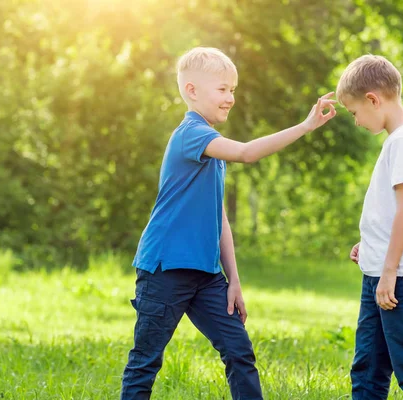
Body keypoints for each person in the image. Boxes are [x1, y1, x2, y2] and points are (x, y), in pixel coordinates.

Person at [120, 46, 336, 400]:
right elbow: (248, 152)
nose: (230, 98)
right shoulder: (192, 133)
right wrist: (307, 124)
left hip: (206, 276)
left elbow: (218, 218)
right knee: (145, 362)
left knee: (239, 351)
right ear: (192, 91)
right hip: (165, 270)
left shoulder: (211, 149)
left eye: (233, 90)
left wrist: (233, 279)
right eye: (222, 89)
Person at [337, 54, 403, 400]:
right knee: (368, 366)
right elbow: (390, 212)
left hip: (396, 278)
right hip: (381, 273)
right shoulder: (398, 141)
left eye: (354, 112)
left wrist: (388, 270)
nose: (355, 121)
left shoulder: (402, 142)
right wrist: (368, 244)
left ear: (373, 99)